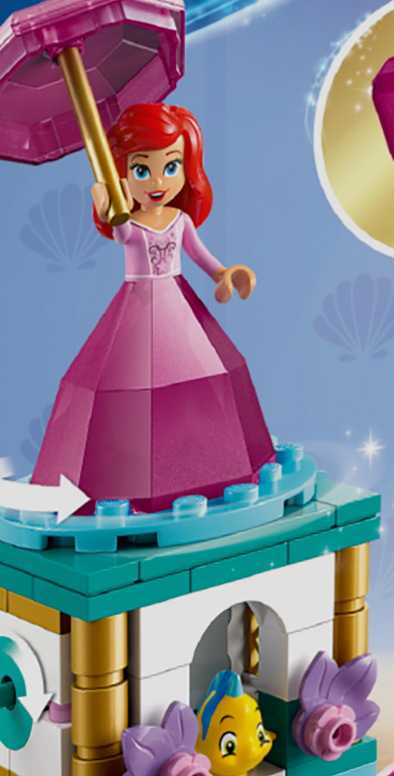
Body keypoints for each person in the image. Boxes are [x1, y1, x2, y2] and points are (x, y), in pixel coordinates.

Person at [31, 102, 273, 513]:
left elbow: (201, 257)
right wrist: (106, 198)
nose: (158, 181)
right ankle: (128, 479)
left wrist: (225, 274)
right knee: (128, 388)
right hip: (138, 306)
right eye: (142, 170)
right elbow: (118, 225)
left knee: (204, 378)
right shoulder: (130, 226)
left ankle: (207, 466)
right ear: (123, 172)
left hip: (180, 305)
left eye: (171, 166)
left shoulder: (180, 220)